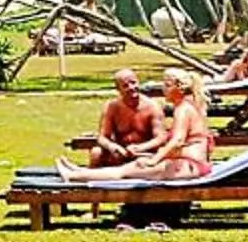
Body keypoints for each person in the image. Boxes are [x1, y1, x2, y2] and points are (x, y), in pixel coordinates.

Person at [57, 70, 213, 183]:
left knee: (125, 171)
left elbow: (177, 141)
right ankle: (78, 171)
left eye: (167, 85)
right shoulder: (186, 107)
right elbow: (103, 136)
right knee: (134, 164)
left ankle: (72, 176)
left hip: (190, 165)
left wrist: (154, 160)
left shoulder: (182, 110)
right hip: (189, 163)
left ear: (178, 88)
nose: (163, 89)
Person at [89, 69, 162, 167]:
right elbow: (102, 137)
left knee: (143, 161)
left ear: (138, 82)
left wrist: (140, 148)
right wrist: (112, 146)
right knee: (96, 153)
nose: (131, 87)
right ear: (118, 89)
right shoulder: (112, 107)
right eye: (125, 86)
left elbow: (160, 138)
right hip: (120, 153)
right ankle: (86, 175)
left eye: (133, 83)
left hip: (145, 153)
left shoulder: (152, 106)